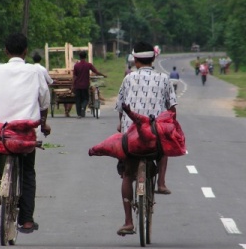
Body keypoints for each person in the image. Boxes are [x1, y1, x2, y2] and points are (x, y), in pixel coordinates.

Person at [0, 33, 51, 234]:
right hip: (25, 133)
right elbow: (44, 102)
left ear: (6, 51)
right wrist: (43, 123)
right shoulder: (35, 71)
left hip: (0, 131)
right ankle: (26, 220)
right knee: (28, 172)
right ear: (26, 51)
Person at [115, 41, 178, 236]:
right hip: (154, 134)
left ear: (134, 59)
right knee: (163, 145)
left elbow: (120, 108)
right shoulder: (164, 79)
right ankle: (161, 183)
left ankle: (128, 222)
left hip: (131, 136)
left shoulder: (128, 78)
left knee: (127, 174)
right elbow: (172, 108)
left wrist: (121, 124)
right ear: (153, 58)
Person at [72, 51, 106, 118]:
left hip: (77, 86)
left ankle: (79, 114)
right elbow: (96, 72)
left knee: (78, 100)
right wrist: (103, 75)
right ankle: (83, 108)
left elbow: (74, 77)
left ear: (79, 57)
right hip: (85, 85)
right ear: (86, 57)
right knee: (86, 99)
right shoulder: (88, 65)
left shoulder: (76, 65)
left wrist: (73, 85)